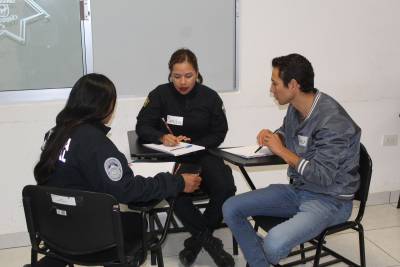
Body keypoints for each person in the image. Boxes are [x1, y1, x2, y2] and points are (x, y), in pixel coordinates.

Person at [25, 73, 202, 267]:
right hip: (88, 238)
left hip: (53, 230)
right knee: (135, 224)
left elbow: (72, 177)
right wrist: (177, 182)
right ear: (105, 106)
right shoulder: (96, 143)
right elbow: (127, 191)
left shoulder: (55, 134)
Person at [222, 53, 361, 267]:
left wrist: (282, 151)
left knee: (273, 245)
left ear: (293, 85)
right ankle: (261, 262)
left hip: (330, 200)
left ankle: (261, 258)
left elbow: (323, 176)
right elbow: (287, 132)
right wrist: (275, 136)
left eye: (274, 83)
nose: (271, 89)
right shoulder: (296, 108)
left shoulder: (334, 123)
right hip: (298, 190)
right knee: (231, 207)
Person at [136, 48, 236, 267]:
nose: (182, 81)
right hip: (175, 158)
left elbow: (220, 132)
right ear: (170, 74)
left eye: (188, 76)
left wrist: (194, 145)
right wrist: (162, 137)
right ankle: (211, 244)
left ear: (197, 73)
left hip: (203, 153)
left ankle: (196, 243)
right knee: (176, 190)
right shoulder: (159, 94)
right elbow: (142, 126)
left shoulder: (210, 97)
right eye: (177, 76)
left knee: (226, 187)